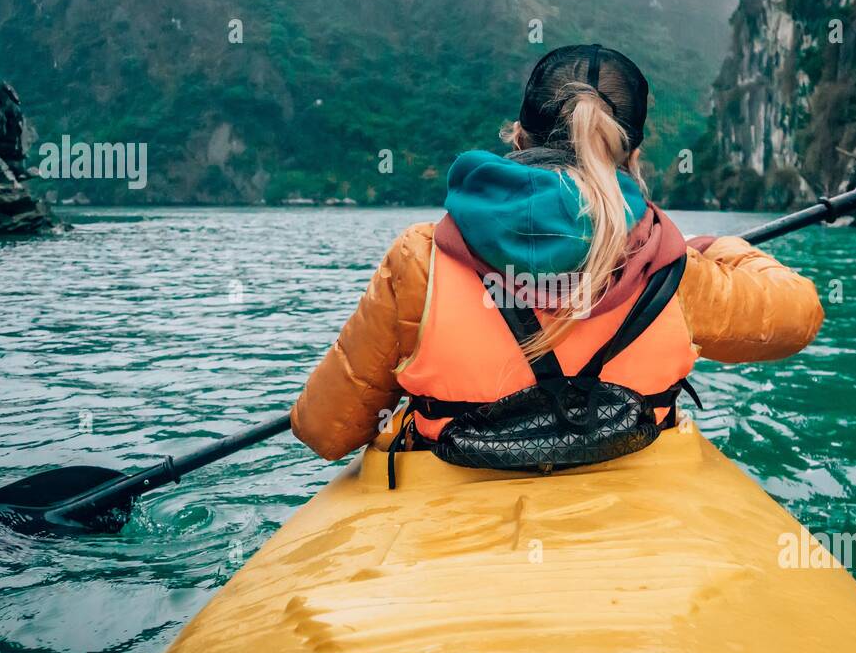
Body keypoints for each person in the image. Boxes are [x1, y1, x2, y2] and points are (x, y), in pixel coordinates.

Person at [292, 44, 823, 478]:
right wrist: (716, 249)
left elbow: (326, 431)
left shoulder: (420, 259)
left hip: (447, 514)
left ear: (518, 137)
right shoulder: (670, 266)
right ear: (630, 156)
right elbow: (798, 316)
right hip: (634, 514)